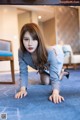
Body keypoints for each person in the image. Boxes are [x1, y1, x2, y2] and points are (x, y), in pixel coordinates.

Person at [15, 23, 69, 104]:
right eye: (26, 39)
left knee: (55, 76)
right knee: (45, 82)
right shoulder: (21, 52)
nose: (30, 43)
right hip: (43, 63)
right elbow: (23, 72)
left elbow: (54, 78)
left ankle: (62, 73)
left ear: (39, 39)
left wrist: (55, 93)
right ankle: (43, 69)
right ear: (21, 40)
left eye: (34, 39)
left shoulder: (50, 52)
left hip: (57, 55)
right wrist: (23, 89)